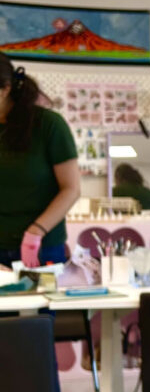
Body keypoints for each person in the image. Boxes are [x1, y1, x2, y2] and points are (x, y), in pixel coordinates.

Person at [0, 54, 80, 270]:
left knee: (44, 304)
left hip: (42, 247)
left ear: (6, 89)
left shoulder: (48, 125)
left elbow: (71, 189)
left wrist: (36, 230)